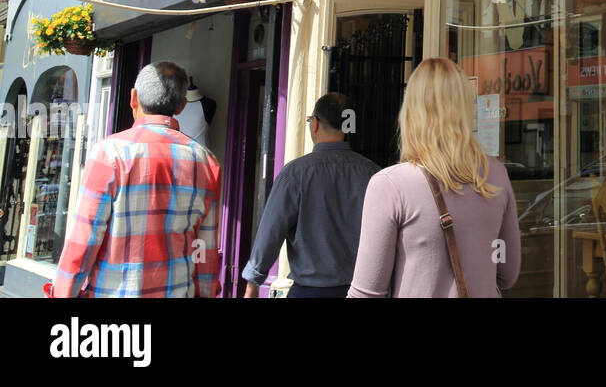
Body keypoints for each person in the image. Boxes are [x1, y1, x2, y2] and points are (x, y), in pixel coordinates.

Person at [348, 58, 521, 298]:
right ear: (465, 110)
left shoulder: (390, 185)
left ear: (410, 111)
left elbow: (366, 292)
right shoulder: (496, 174)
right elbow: (508, 274)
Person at [51, 61, 222, 298]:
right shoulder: (207, 162)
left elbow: (85, 237)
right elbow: (204, 245)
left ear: (134, 98)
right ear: (182, 105)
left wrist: (62, 293)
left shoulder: (110, 153)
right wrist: (206, 292)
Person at [241, 92, 379, 298]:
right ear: (348, 126)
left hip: (308, 291)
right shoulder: (373, 174)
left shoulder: (295, 173)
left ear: (315, 123)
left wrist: (252, 285)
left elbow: (270, 232)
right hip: (360, 291)